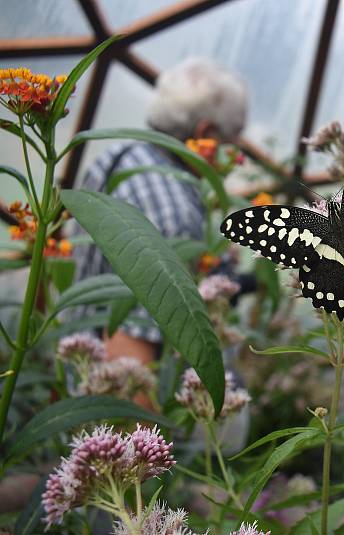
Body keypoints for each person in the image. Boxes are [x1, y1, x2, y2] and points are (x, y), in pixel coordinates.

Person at [70, 57, 249, 367]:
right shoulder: (174, 217)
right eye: (232, 141)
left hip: (78, 353)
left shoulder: (120, 155)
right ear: (205, 133)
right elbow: (127, 365)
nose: (234, 154)